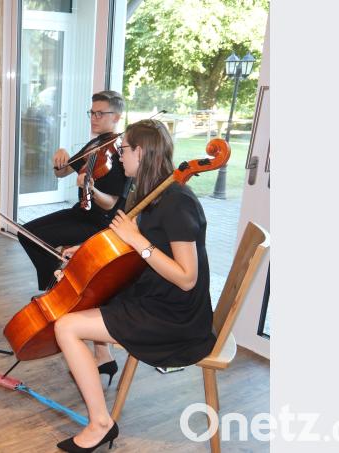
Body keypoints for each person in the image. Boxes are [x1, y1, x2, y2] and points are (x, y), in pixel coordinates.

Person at [52, 119, 216, 452]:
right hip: (154, 295)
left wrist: (138, 240)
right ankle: (102, 358)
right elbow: (126, 246)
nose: (118, 155)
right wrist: (82, 255)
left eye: (122, 149)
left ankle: (100, 423)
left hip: (175, 317)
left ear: (140, 152)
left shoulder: (177, 202)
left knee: (66, 327)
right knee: (83, 296)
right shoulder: (148, 192)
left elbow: (187, 278)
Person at [17, 90, 129, 387]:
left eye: (100, 113)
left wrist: (91, 186)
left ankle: (61, 289)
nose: (94, 118)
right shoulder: (95, 145)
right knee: (27, 233)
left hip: (101, 223)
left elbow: (110, 203)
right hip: (80, 213)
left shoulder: (120, 154)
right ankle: (60, 285)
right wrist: (61, 159)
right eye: (91, 113)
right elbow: (62, 173)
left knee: (37, 238)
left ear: (116, 117)